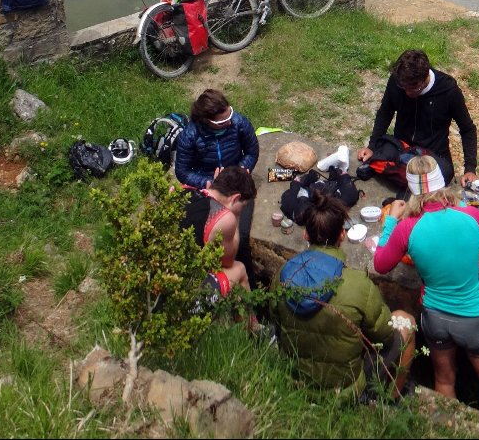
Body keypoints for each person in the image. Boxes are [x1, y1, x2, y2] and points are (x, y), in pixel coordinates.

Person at [373, 154, 479, 419]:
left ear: (411, 189)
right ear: (443, 183)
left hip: (435, 317)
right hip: (475, 318)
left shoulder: (406, 228)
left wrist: (391, 220)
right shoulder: (470, 215)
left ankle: (444, 428)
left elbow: (380, 263)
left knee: (444, 381)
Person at [273, 189, 416, 402]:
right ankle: (391, 400)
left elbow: (277, 323)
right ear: (342, 235)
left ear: (305, 235)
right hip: (343, 391)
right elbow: (385, 336)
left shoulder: (283, 275)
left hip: (295, 380)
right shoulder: (357, 283)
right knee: (406, 321)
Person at [357, 48, 478, 187]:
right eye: (404, 88)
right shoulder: (398, 82)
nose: (407, 92)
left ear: (426, 76)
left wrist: (470, 168)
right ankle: (407, 177)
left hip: (433, 156)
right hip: (402, 148)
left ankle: (404, 176)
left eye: (413, 88)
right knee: (376, 153)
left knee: (442, 174)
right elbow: (385, 112)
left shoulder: (448, 90)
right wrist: (372, 146)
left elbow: (467, 129)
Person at [175, 89, 259, 280]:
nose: (229, 121)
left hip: (235, 180)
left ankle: (247, 281)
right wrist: (208, 182)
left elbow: (252, 152)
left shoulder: (239, 123)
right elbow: (182, 171)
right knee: (201, 232)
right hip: (208, 185)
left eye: (230, 114)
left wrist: (241, 170)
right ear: (207, 121)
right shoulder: (190, 135)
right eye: (222, 121)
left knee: (243, 235)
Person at [180, 166, 258, 295]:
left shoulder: (183, 190)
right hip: (185, 293)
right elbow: (228, 261)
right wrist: (236, 215)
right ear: (235, 198)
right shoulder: (223, 217)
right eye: (243, 206)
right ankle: (252, 314)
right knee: (239, 269)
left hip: (159, 277)